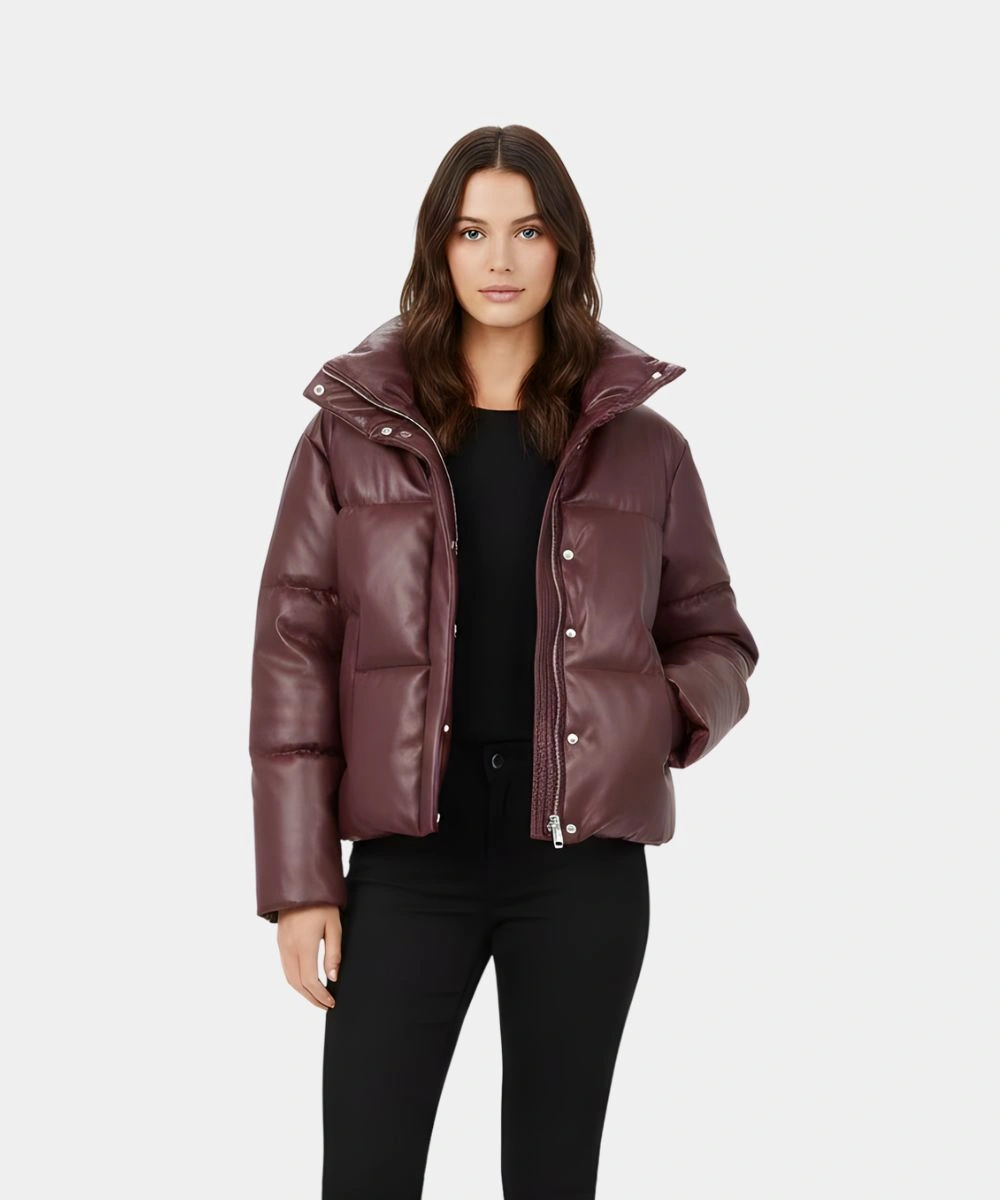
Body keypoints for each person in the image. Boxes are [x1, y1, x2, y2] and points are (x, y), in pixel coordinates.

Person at [248, 124, 759, 1200]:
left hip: (580, 865)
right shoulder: (352, 437)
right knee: (366, 1173)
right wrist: (300, 884)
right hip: (408, 861)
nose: (499, 260)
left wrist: (658, 720)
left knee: (552, 1177)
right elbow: (294, 656)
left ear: (564, 247)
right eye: (472, 232)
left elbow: (716, 637)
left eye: (527, 231)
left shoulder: (645, 448)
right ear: (437, 246)